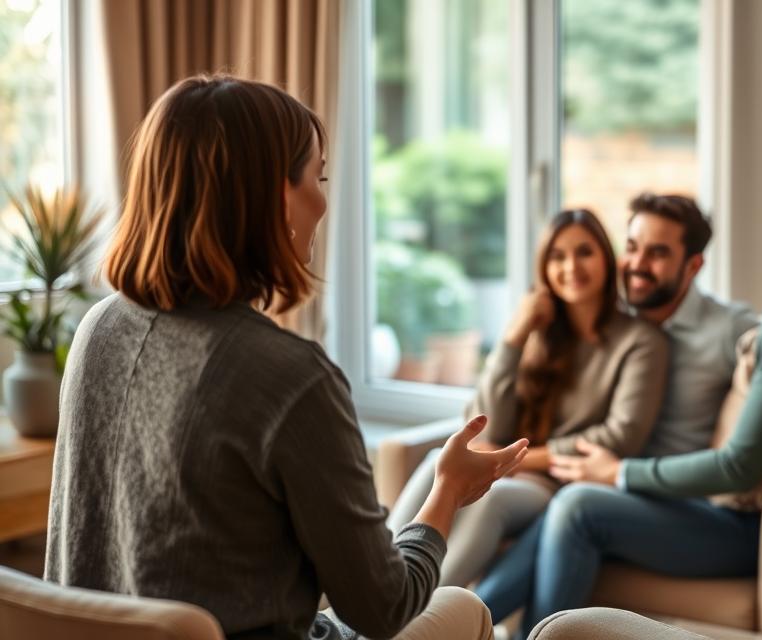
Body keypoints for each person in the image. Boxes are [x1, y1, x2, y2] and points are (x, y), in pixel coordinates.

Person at [44, 75, 528, 640]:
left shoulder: (97, 327)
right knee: (465, 610)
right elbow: (383, 608)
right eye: (318, 177)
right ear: (278, 196)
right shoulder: (289, 377)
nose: (324, 201)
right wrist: (447, 493)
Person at [475, 197, 762, 635]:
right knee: (560, 505)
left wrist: (616, 472)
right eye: (631, 247)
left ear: (692, 267)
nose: (636, 264)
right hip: (645, 503)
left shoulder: (733, 330)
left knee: (577, 507)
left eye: (658, 253)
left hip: (712, 514)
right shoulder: (622, 323)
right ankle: (453, 620)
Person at [387, 208, 670, 588]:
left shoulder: (642, 342)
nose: (571, 266)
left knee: (492, 498)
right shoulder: (539, 334)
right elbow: (484, 422)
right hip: (513, 468)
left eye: (584, 251)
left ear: (607, 257)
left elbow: (620, 437)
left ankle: (414, 610)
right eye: (558, 256)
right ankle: (373, 584)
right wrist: (514, 338)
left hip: (561, 485)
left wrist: (510, 462)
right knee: (437, 461)